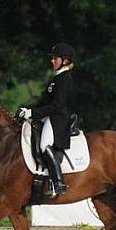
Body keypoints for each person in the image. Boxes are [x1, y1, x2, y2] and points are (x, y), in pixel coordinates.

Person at [18, 42, 75, 196]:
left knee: (44, 145)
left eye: (55, 58)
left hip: (57, 119)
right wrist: (29, 110)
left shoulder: (65, 79)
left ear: (65, 60)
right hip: (49, 116)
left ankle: (58, 183)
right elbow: (44, 102)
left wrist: (34, 114)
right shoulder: (56, 78)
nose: (52, 61)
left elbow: (56, 105)